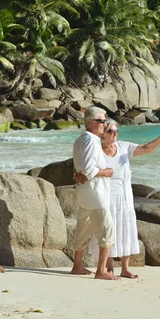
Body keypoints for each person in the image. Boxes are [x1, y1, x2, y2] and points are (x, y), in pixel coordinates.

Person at [76, 119, 160, 278]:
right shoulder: (95, 149)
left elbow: (145, 149)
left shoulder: (123, 146)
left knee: (127, 230)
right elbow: (85, 167)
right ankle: (108, 267)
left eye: (117, 131)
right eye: (111, 131)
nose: (115, 134)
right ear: (103, 134)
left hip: (124, 195)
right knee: (108, 231)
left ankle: (125, 268)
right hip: (105, 195)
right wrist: (77, 175)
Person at [71, 106, 119, 281]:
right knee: (107, 229)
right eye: (101, 121)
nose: (104, 125)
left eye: (105, 121)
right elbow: (88, 169)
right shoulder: (91, 140)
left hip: (84, 192)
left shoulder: (80, 139)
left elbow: (78, 167)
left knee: (83, 227)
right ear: (91, 122)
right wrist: (106, 172)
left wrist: (77, 175)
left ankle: (77, 266)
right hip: (96, 192)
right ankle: (101, 271)